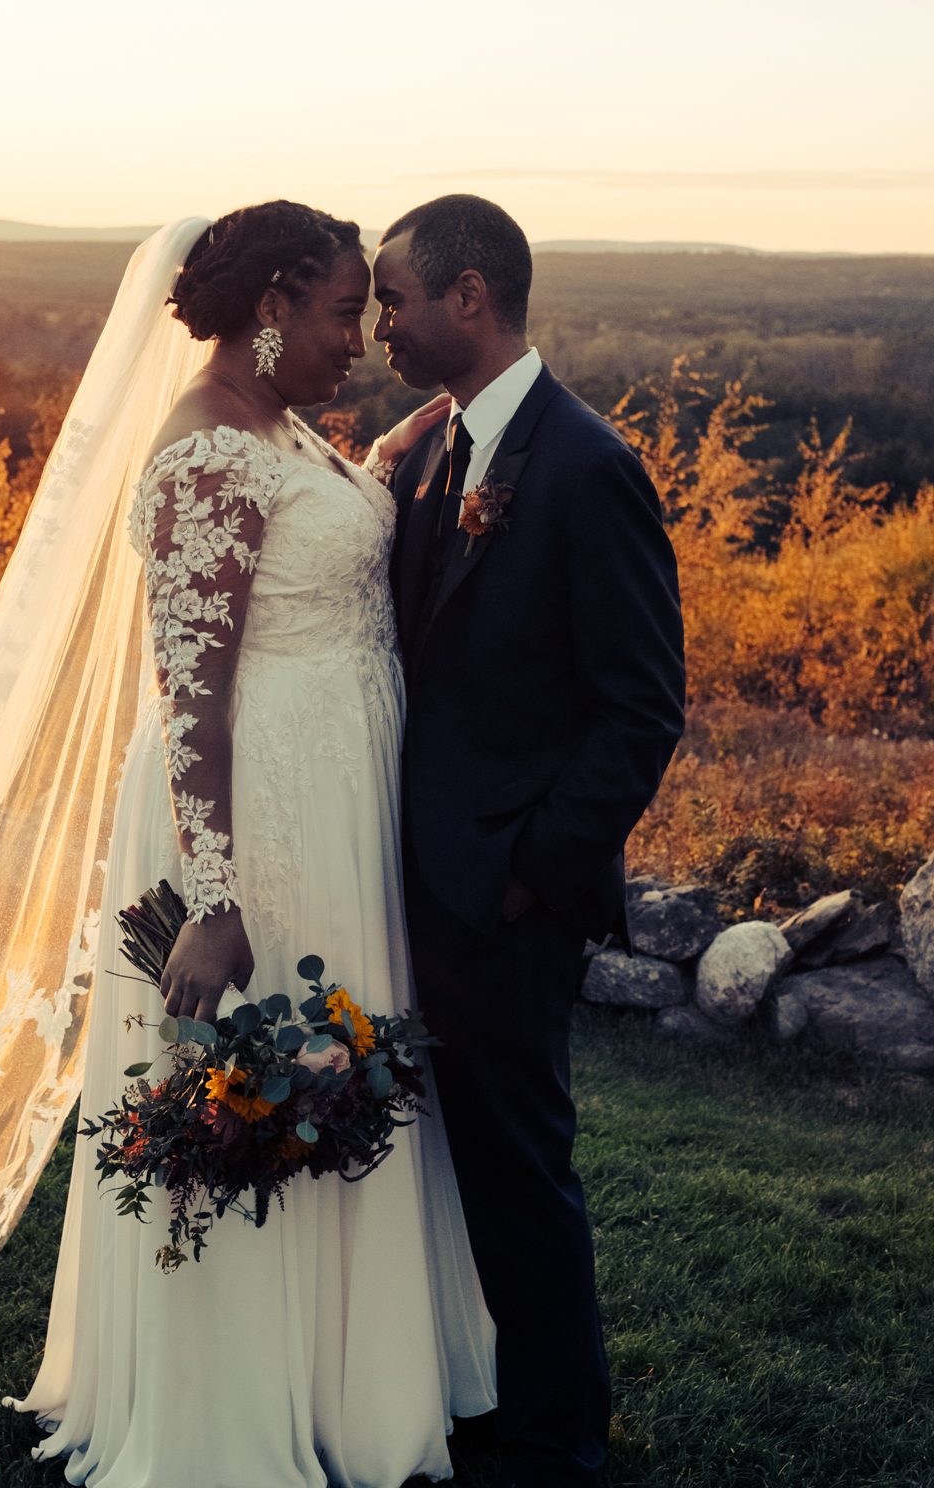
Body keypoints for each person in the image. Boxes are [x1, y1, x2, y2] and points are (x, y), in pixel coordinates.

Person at [3, 201, 495, 1487]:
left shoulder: (281, 430)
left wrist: (393, 445)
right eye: (345, 311)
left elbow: (316, 535)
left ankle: (352, 1373)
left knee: (343, 1053)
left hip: (333, 799)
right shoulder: (202, 461)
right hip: (250, 817)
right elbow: (192, 695)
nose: (364, 337)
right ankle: (232, 1400)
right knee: (261, 1067)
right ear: (271, 306)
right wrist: (213, 899)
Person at [370, 194, 687, 1488]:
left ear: (468, 297)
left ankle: (558, 1444)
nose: (380, 322)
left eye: (392, 298)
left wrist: (526, 876)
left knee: (520, 1167)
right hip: (418, 886)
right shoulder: (437, 448)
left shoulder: (586, 465)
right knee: (455, 1174)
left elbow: (639, 710)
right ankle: (486, 1396)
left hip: (504, 898)